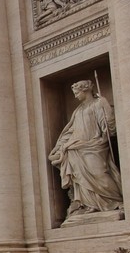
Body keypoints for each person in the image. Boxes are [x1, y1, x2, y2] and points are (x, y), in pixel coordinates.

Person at [49, 80, 123, 217]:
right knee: (80, 178)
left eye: (77, 93)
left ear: (85, 90)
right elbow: (71, 131)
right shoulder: (78, 110)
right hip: (76, 148)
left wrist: (107, 112)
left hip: (94, 145)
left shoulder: (99, 103)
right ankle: (90, 204)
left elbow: (109, 124)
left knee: (99, 173)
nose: (75, 96)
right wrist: (59, 147)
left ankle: (115, 200)